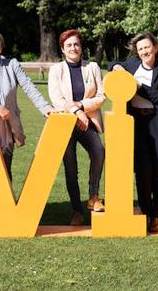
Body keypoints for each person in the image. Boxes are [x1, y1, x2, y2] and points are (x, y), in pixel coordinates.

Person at [0, 30, 56, 221]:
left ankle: (4, 209)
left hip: (7, 125)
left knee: (4, 164)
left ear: (1, 48)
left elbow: (29, 87)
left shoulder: (12, 65)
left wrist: (45, 107)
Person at [110, 32, 158, 233]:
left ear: (155, 48)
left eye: (147, 47)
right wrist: (116, 67)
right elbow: (112, 64)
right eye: (140, 49)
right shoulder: (131, 66)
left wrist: (139, 87)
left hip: (157, 121)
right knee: (142, 170)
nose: (144, 51)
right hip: (136, 122)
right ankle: (145, 211)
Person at [48, 29, 106, 226]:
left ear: (81, 47)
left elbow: (101, 96)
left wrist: (81, 107)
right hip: (65, 124)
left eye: (76, 44)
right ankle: (76, 210)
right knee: (70, 167)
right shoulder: (56, 70)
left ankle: (93, 196)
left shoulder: (92, 67)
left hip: (88, 121)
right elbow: (57, 99)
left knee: (99, 152)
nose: (73, 48)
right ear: (63, 50)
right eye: (69, 45)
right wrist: (75, 112)